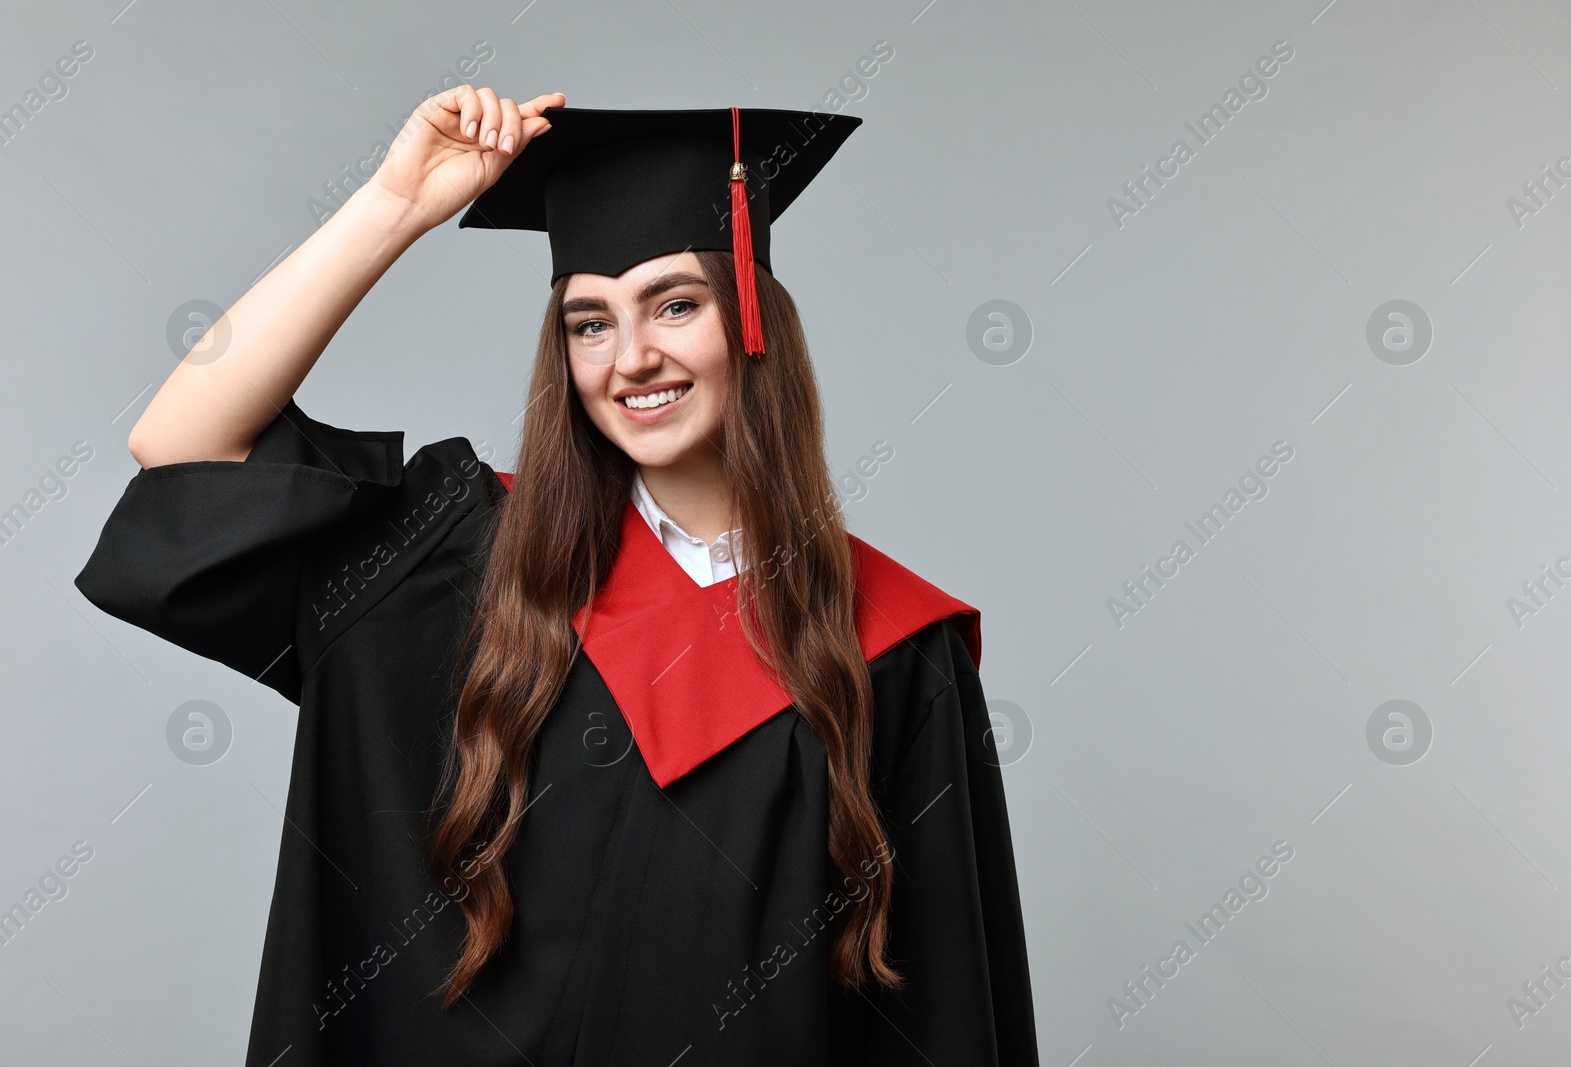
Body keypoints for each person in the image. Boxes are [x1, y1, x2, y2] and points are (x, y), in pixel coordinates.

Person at [75, 87, 1038, 1065]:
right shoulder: (452, 557)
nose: (633, 357)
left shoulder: (891, 646)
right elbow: (181, 444)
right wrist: (395, 204)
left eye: (675, 304)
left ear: (753, 321)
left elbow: (942, 1008)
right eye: (588, 321)